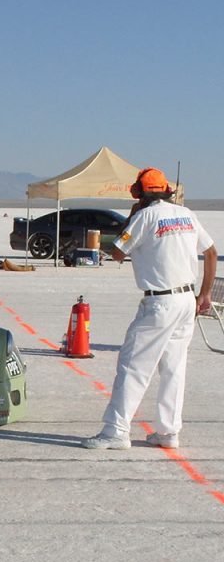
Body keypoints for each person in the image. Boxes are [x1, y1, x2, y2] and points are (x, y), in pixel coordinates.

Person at [82, 167, 217, 450]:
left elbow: (118, 251)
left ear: (139, 193)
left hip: (160, 302)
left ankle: (116, 431)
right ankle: (168, 432)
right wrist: (204, 294)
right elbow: (211, 251)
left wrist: (131, 217)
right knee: (174, 368)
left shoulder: (144, 216)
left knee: (133, 365)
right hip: (185, 300)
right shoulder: (187, 214)